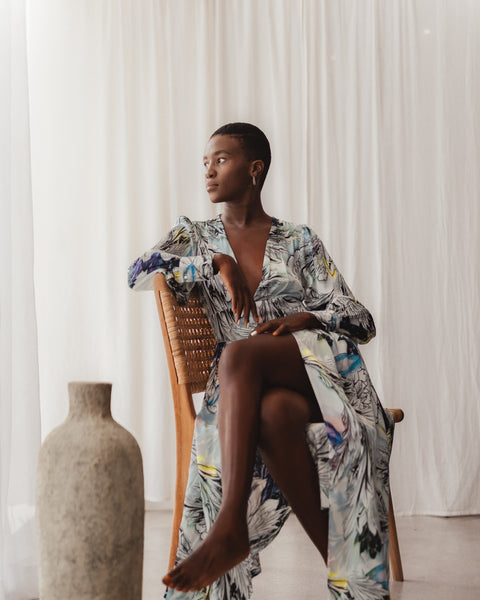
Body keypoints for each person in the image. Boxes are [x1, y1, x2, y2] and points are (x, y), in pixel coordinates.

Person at [128, 123, 393, 600]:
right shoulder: (196, 236)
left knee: (239, 353)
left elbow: (360, 320)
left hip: (317, 374)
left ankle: (229, 524)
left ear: (255, 169)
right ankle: (350, 580)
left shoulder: (299, 240)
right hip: (248, 394)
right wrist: (216, 264)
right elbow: (139, 271)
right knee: (273, 415)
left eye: (221, 159)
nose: (208, 170)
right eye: (205, 161)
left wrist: (303, 317)